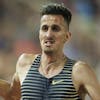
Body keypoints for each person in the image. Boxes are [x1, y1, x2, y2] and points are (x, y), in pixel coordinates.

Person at [0, 3, 100, 100]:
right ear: (39, 33)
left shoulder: (79, 71)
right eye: (44, 28)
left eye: (55, 29)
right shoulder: (25, 63)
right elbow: (13, 96)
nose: (48, 35)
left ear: (67, 36)